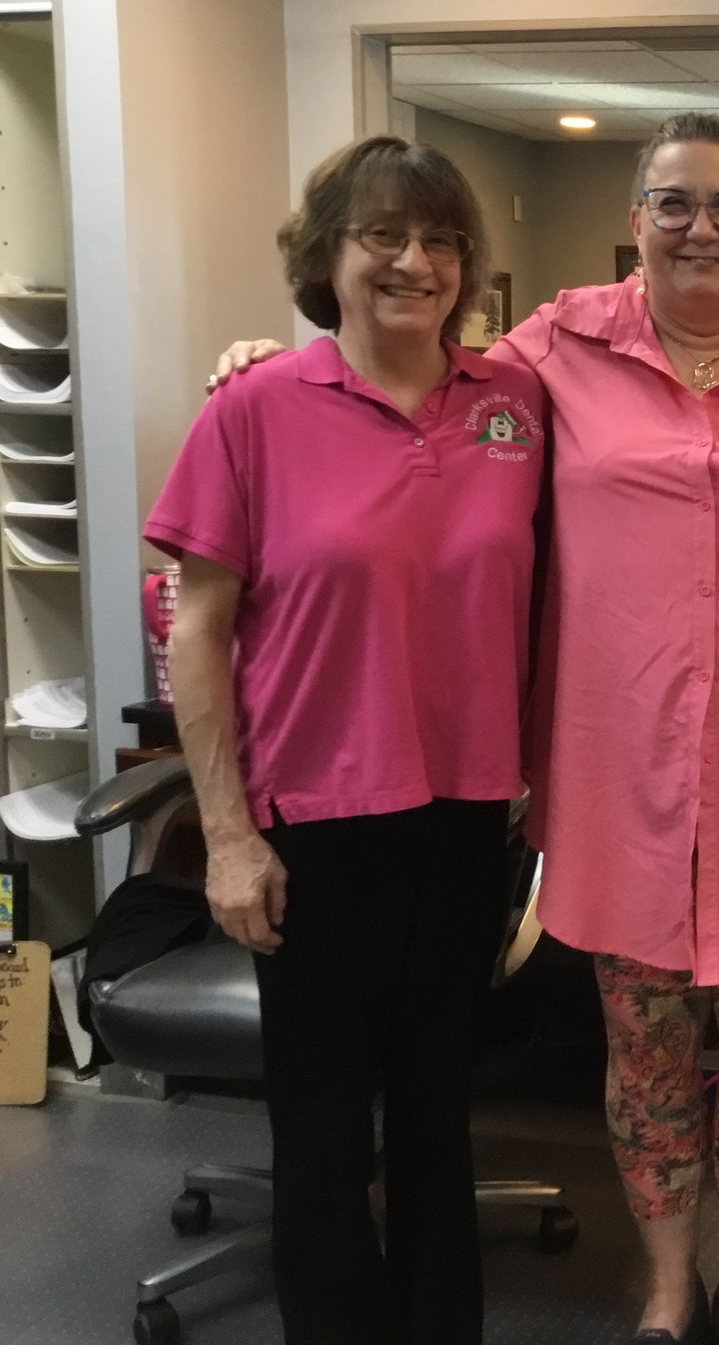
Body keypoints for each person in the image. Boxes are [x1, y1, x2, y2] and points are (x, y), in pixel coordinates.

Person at [214, 112, 719, 1345]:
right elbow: (407, 368)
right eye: (673, 200)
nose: (701, 225)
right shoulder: (552, 354)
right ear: (634, 220)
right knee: (644, 1051)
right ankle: (667, 1288)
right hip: (622, 769)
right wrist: (281, 363)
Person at [156, 136, 542, 1345]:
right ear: (326, 253)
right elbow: (196, 634)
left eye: (439, 240)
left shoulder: (515, 407)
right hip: (315, 829)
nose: (413, 261)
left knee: (439, 1117)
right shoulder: (254, 410)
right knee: (322, 1131)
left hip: (470, 816)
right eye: (382, 234)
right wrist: (226, 838)